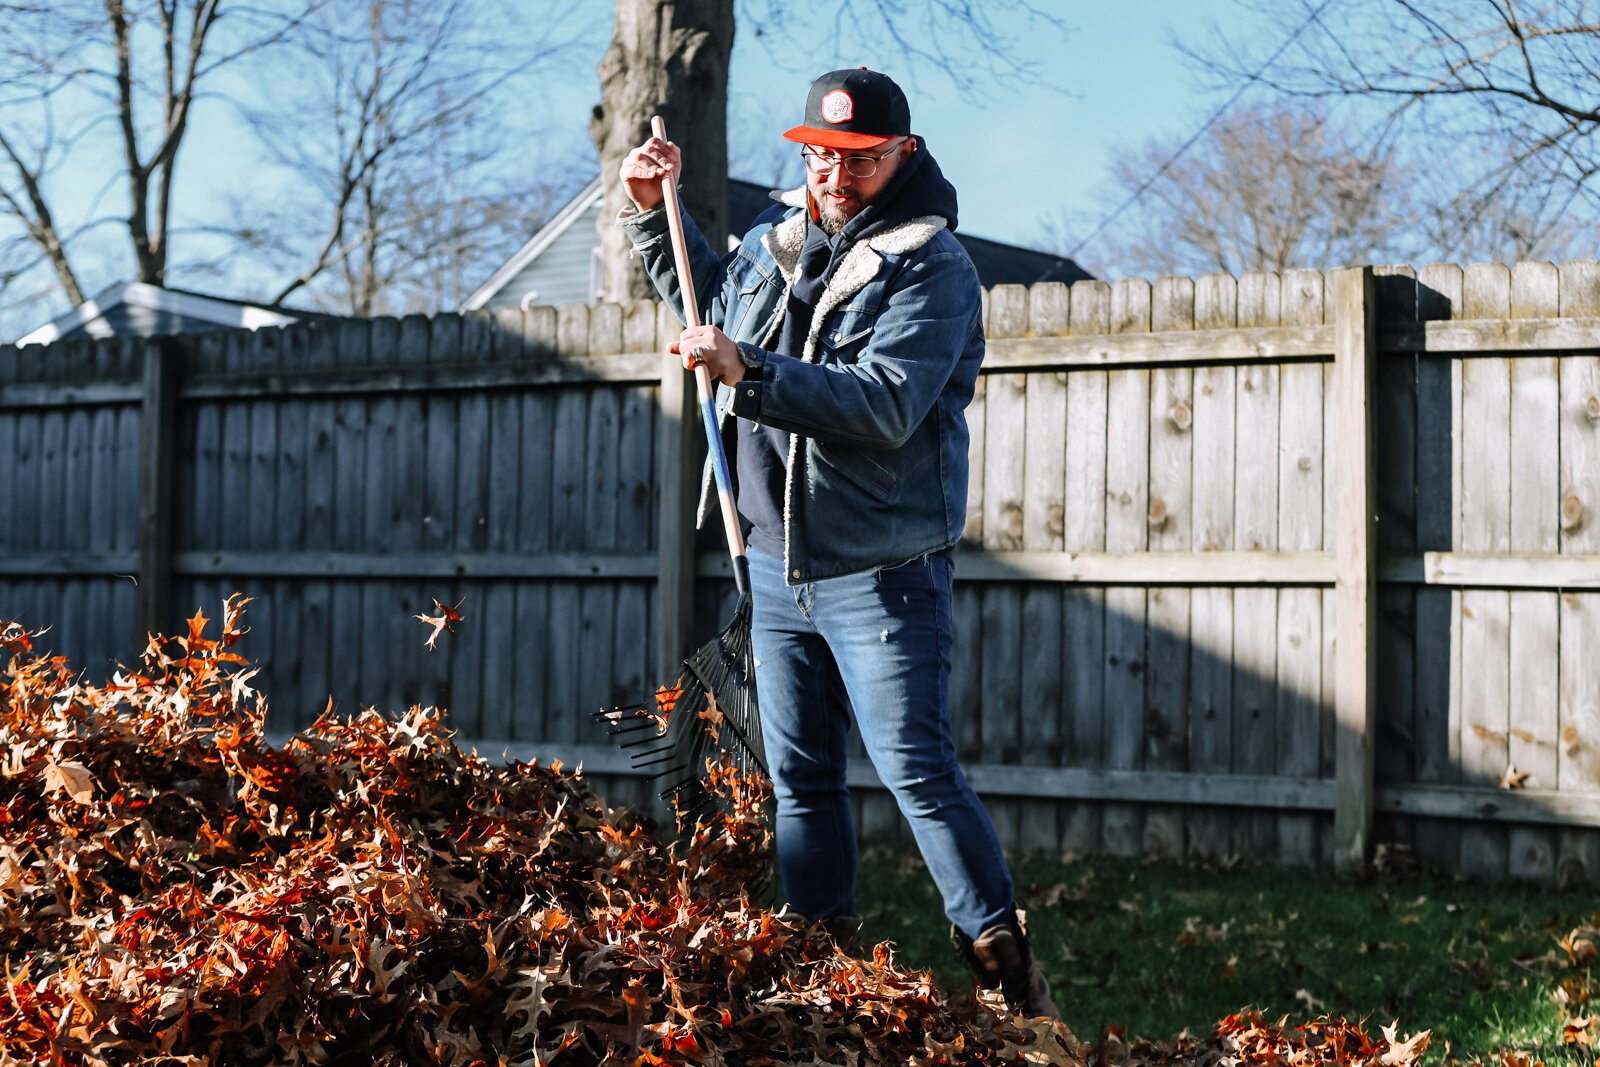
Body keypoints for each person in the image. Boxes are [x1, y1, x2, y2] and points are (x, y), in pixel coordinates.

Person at [617, 67, 1059, 1020]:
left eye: (857, 160)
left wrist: (753, 370)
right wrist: (656, 216)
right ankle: (822, 978)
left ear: (902, 153)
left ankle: (1009, 978)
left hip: (881, 572)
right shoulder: (775, 240)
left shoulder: (933, 267)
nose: (833, 176)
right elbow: (705, 304)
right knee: (802, 779)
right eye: (819, 156)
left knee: (917, 772)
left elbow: (888, 402)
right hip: (775, 565)